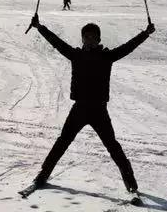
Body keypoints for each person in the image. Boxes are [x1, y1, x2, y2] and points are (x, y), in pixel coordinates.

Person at [25, 14, 155, 195]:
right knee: (62, 142)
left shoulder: (107, 56)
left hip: (99, 110)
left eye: (93, 37)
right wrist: (40, 27)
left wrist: (145, 34)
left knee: (112, 146)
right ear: (83, 39)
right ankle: (42, 175)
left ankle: (131, 184)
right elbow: (57, 42)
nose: (90, 40)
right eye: (87, 37)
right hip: (79, 108)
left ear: (99, 39)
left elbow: (128, 47)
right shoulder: (76, 55)